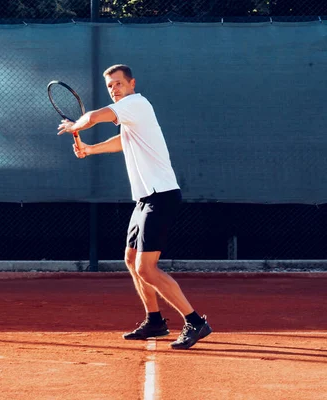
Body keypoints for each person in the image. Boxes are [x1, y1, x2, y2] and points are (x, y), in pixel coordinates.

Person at [57, 64, 212, 350]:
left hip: (161, 196)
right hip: (144, 198)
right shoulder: (129, 116)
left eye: (118, 83)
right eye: (110, 86)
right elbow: (122, 141)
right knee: (131, 260)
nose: (114, 89)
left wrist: (75, 125)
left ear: (131, 84)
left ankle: (195, 322)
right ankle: (155, 321)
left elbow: (92, 118)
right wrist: (90, 149)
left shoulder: (136, 103)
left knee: (146, 268)